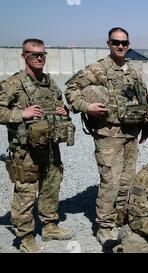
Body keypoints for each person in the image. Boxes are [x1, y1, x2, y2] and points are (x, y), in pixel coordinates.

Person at [65, 27, 148, 246]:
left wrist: (146, 124)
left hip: (131, 134)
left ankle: (120, 219)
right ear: (109, 44)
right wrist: (87, 106)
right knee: (110, 182)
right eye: (115, 42)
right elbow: (71, 90)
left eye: (124, 43)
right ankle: (104, 225)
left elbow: (143, 98)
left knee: (127, 181)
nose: (120, 46)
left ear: (129, 45)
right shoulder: (98, 69)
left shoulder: (133, 71)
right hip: (108, 135)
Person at [0, 39, 75, 252]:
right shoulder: (14, 83)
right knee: (25, 194)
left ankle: (49, 226)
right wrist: (20, 114)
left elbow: (60, 105)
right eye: (35, 54)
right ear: (24, 56)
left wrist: (64, 112)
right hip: (26, 153)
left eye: (43, 54)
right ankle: (25, 237)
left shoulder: (50, 83)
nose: (40, 58)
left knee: (51, 187)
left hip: (50, 149)